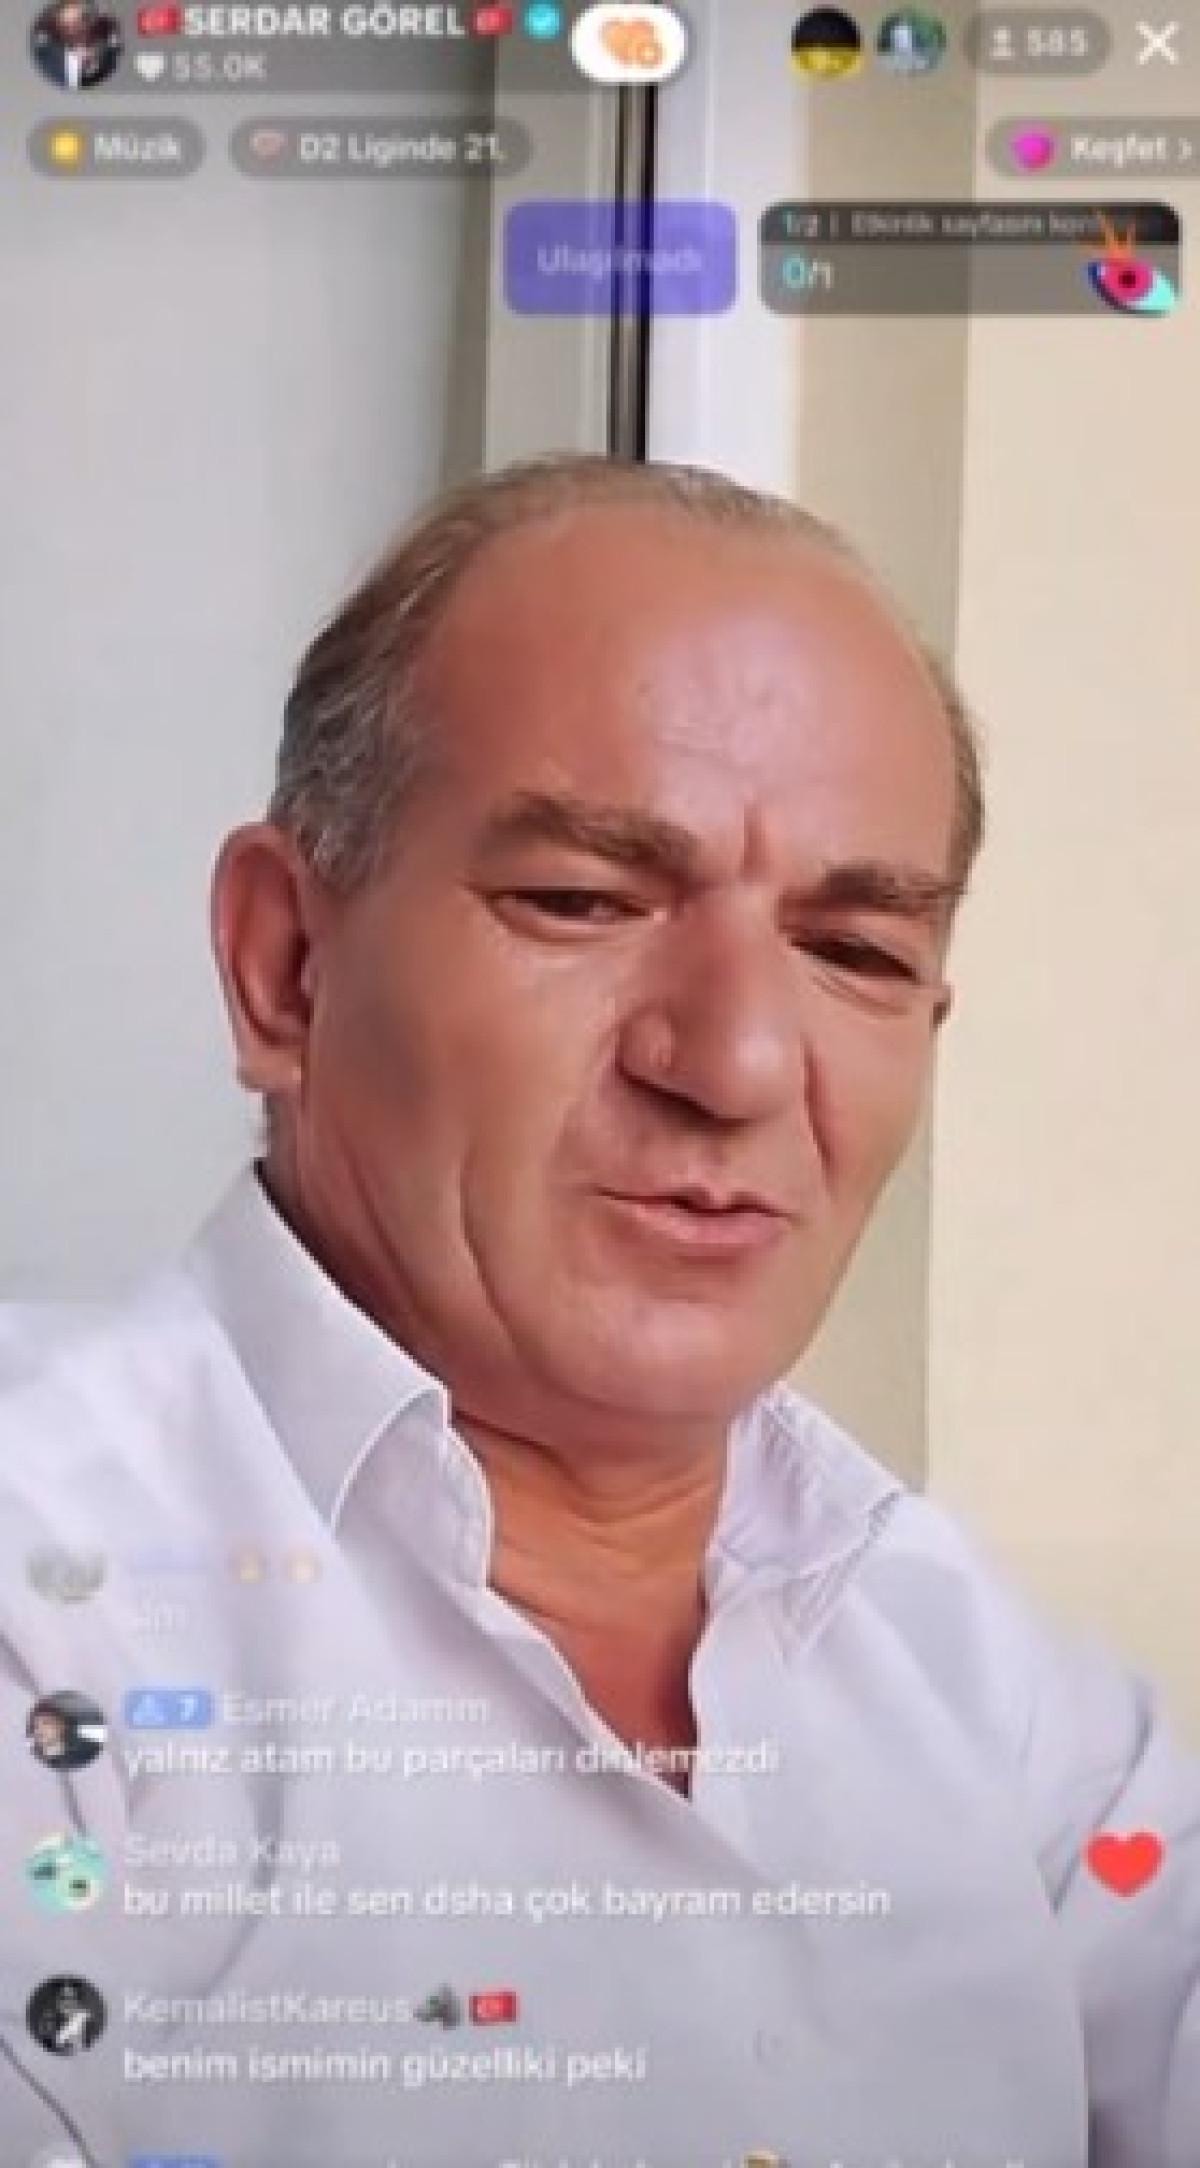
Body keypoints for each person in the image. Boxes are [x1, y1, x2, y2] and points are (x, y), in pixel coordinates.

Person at [0, 455, 1196, 2167]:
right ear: (285, 970)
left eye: (857, 951)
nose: (738, 1061)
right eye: (581, 901)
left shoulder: (986, 1693)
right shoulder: (52, 1603)